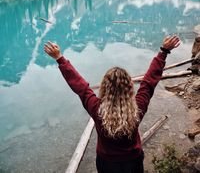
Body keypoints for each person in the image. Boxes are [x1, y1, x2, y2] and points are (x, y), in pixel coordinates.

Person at [44, 35, 180, 173]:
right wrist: (163, 52)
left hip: (106, 162)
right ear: (129, 88)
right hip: (133, 160)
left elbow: (81, 87)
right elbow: (149, 82)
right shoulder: (138, 107)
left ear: (104, 87)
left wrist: (60, 58)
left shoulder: (96, 108)